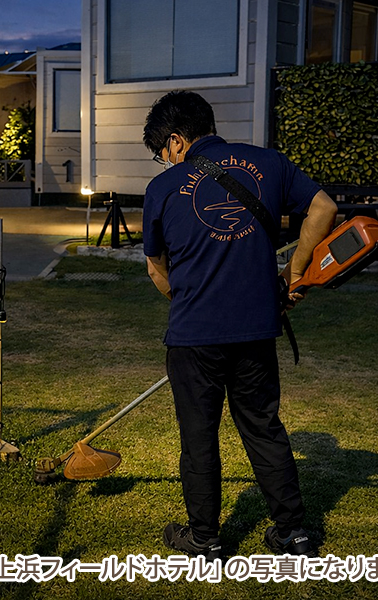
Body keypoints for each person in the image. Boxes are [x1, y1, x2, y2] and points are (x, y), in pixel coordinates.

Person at [142, 90, 337, 559]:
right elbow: (325, 208)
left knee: (199, 435)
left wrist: (190, 295)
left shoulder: (163, 189)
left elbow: (156, 269)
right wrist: (293, 274)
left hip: (193, 336)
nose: (163, 162)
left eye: (160, 153)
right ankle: (293, 534)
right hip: (255, 330)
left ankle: (204, 539)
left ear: (175, 141)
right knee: (263, 428)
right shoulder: (268, 163)